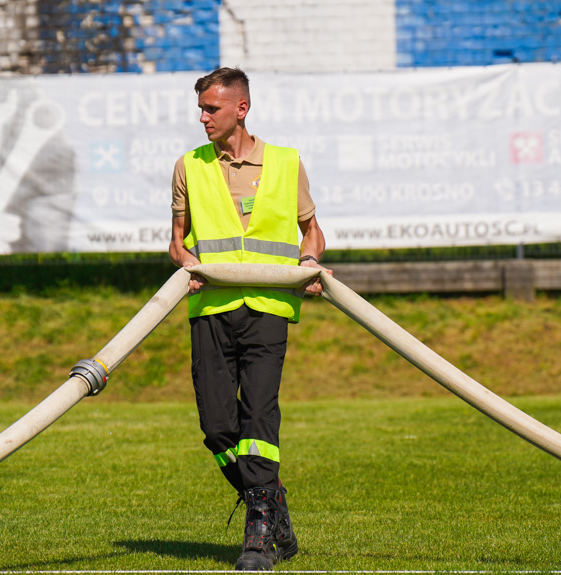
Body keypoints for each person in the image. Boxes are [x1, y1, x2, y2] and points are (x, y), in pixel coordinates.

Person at [168, 67, 331, 571]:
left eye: (211, 109)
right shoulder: (188, 167)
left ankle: (258, 536)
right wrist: (187, 262)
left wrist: (309, 264)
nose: (202, 118)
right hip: (212, 310)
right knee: (217, 428)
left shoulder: (286, 163)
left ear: (242, 108)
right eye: (200, 109)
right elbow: (177, 240)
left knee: (258, 419)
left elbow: (312, 233)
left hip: (267, 309)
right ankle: (272, 502)